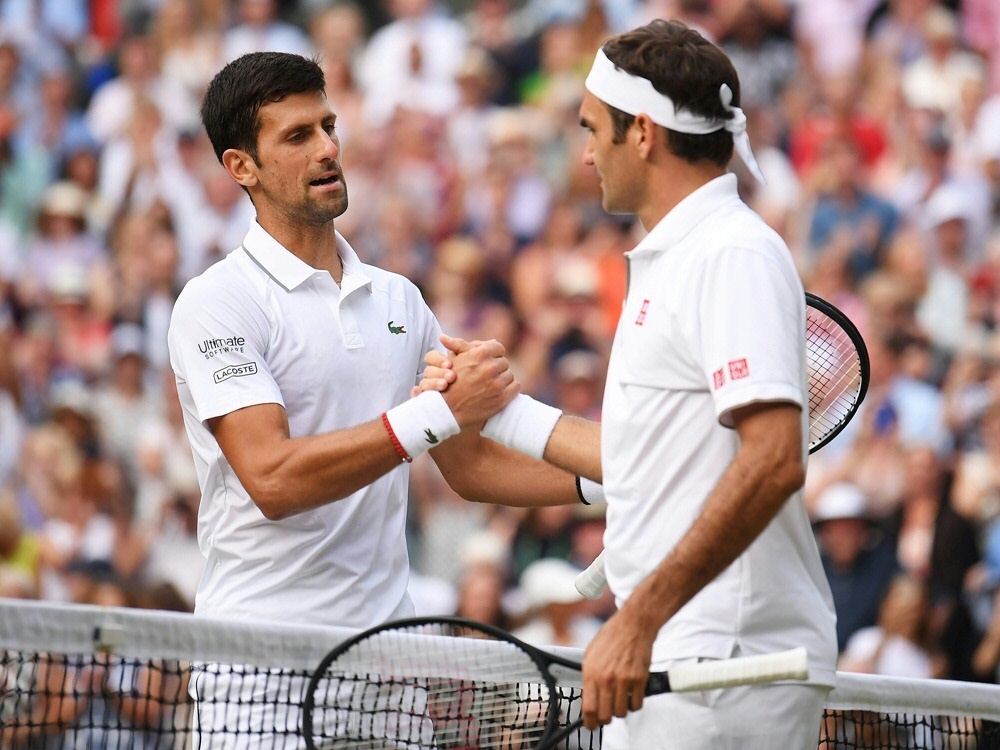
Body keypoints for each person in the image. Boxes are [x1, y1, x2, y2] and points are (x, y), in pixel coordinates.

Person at [420, 19, 838, 749]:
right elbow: (643, 458)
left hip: (720, 662)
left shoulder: (730, 252)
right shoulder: (680, 256)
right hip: (684, 659)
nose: (584, 155)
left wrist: (639, 618)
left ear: (642, 133)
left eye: (592, 130)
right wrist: (498, 410)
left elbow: (774, 459)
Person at [167, 51, 580, 748]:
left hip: (387, 670)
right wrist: (438, 411)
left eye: (328, 126)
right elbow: (272, 478)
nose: (328, 148)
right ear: (241, 167)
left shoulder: (399, 299)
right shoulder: (217, 302)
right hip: (261, 675)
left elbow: (470, 466)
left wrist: (611, 489)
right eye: (297, 136)